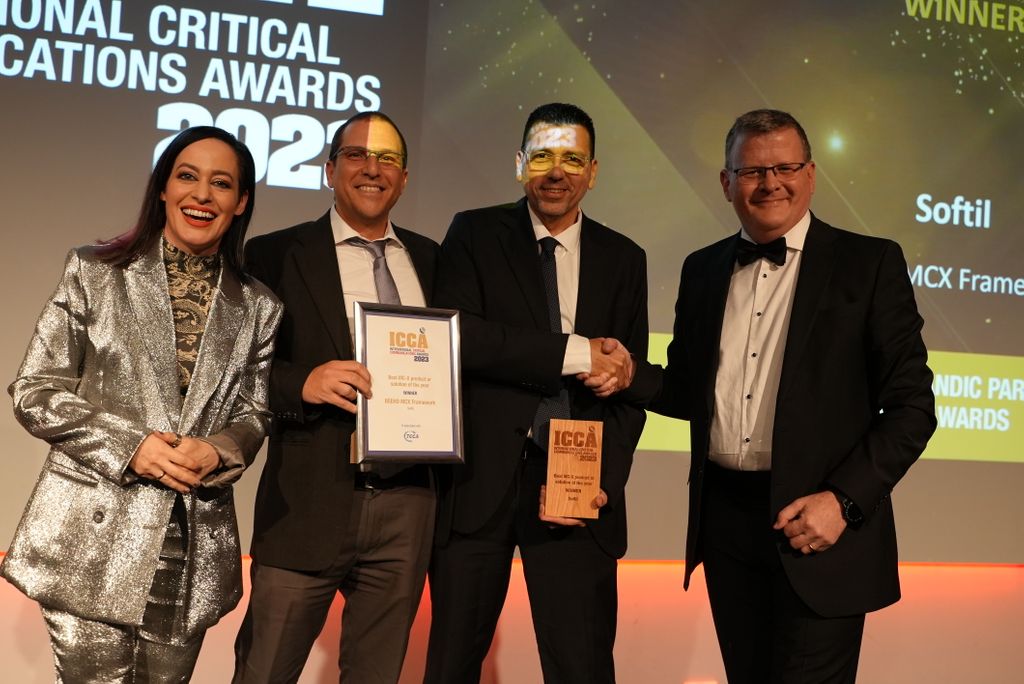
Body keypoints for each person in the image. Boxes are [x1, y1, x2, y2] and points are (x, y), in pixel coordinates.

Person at [617, 109, 936, 683]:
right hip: (726, 525)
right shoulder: (702, 269)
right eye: (752, 171)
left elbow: (913, 408)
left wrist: (843, 502)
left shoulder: (869, 263)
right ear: (726, 182)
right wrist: (627, 374)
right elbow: (689, 390)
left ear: (810, 175)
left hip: (819, 527)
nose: (770, 184)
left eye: (785, 168)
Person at [2, 126, 283, 682]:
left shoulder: (259, 306)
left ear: (240, 202)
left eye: (221, 183)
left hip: (191, 546)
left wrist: (218, 450)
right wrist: (133, 447)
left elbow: (255, 414)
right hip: (92, 537)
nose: (202, 195)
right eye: (187, 176)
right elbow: (35, 390)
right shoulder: (95, 271)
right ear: (163, 188)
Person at [424, 102, 648, 684]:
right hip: (479, 483)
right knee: (451, 665)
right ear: (520, 164)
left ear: (593, 172)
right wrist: (575, 353)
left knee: (581, 667)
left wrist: (605, 479)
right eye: (543, 156)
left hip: (580, 486)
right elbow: (462, 337)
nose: (557, 172)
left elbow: (628, 383)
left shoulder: (625, 258)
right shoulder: (474, 232)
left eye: (572, 159)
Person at [232, 111, 440, 684]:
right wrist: (301, 382)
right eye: (356, 155)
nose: (373, 169)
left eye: (388, 159)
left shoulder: (433, 259)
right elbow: (231, 372)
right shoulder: (275, 254)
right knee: (263, 673)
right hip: (306, 502)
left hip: (407, 505)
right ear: (329, 170)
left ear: (404, 179)